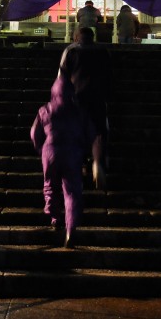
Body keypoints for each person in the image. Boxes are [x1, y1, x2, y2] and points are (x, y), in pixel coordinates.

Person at [30, 75, 94, 248]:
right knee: (72, 192)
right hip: (73, 153)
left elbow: (34, 134)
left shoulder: (45, 110)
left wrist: (41, 149)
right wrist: (86, 152)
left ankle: (54, 216)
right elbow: (90, 133)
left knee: (50, 185)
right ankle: (70, 229)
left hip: (50, 152)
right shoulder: (79, 110)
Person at [59, 25, 112, 189]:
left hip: (76, 96)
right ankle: (97, 163)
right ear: (92, 37)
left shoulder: (71, 50)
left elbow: (62, 76)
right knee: (98, 131)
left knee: (76, 131)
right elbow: (109, 73)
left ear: (76, 37)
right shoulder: (103, 51)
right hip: (97, 95)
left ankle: (80, 164)